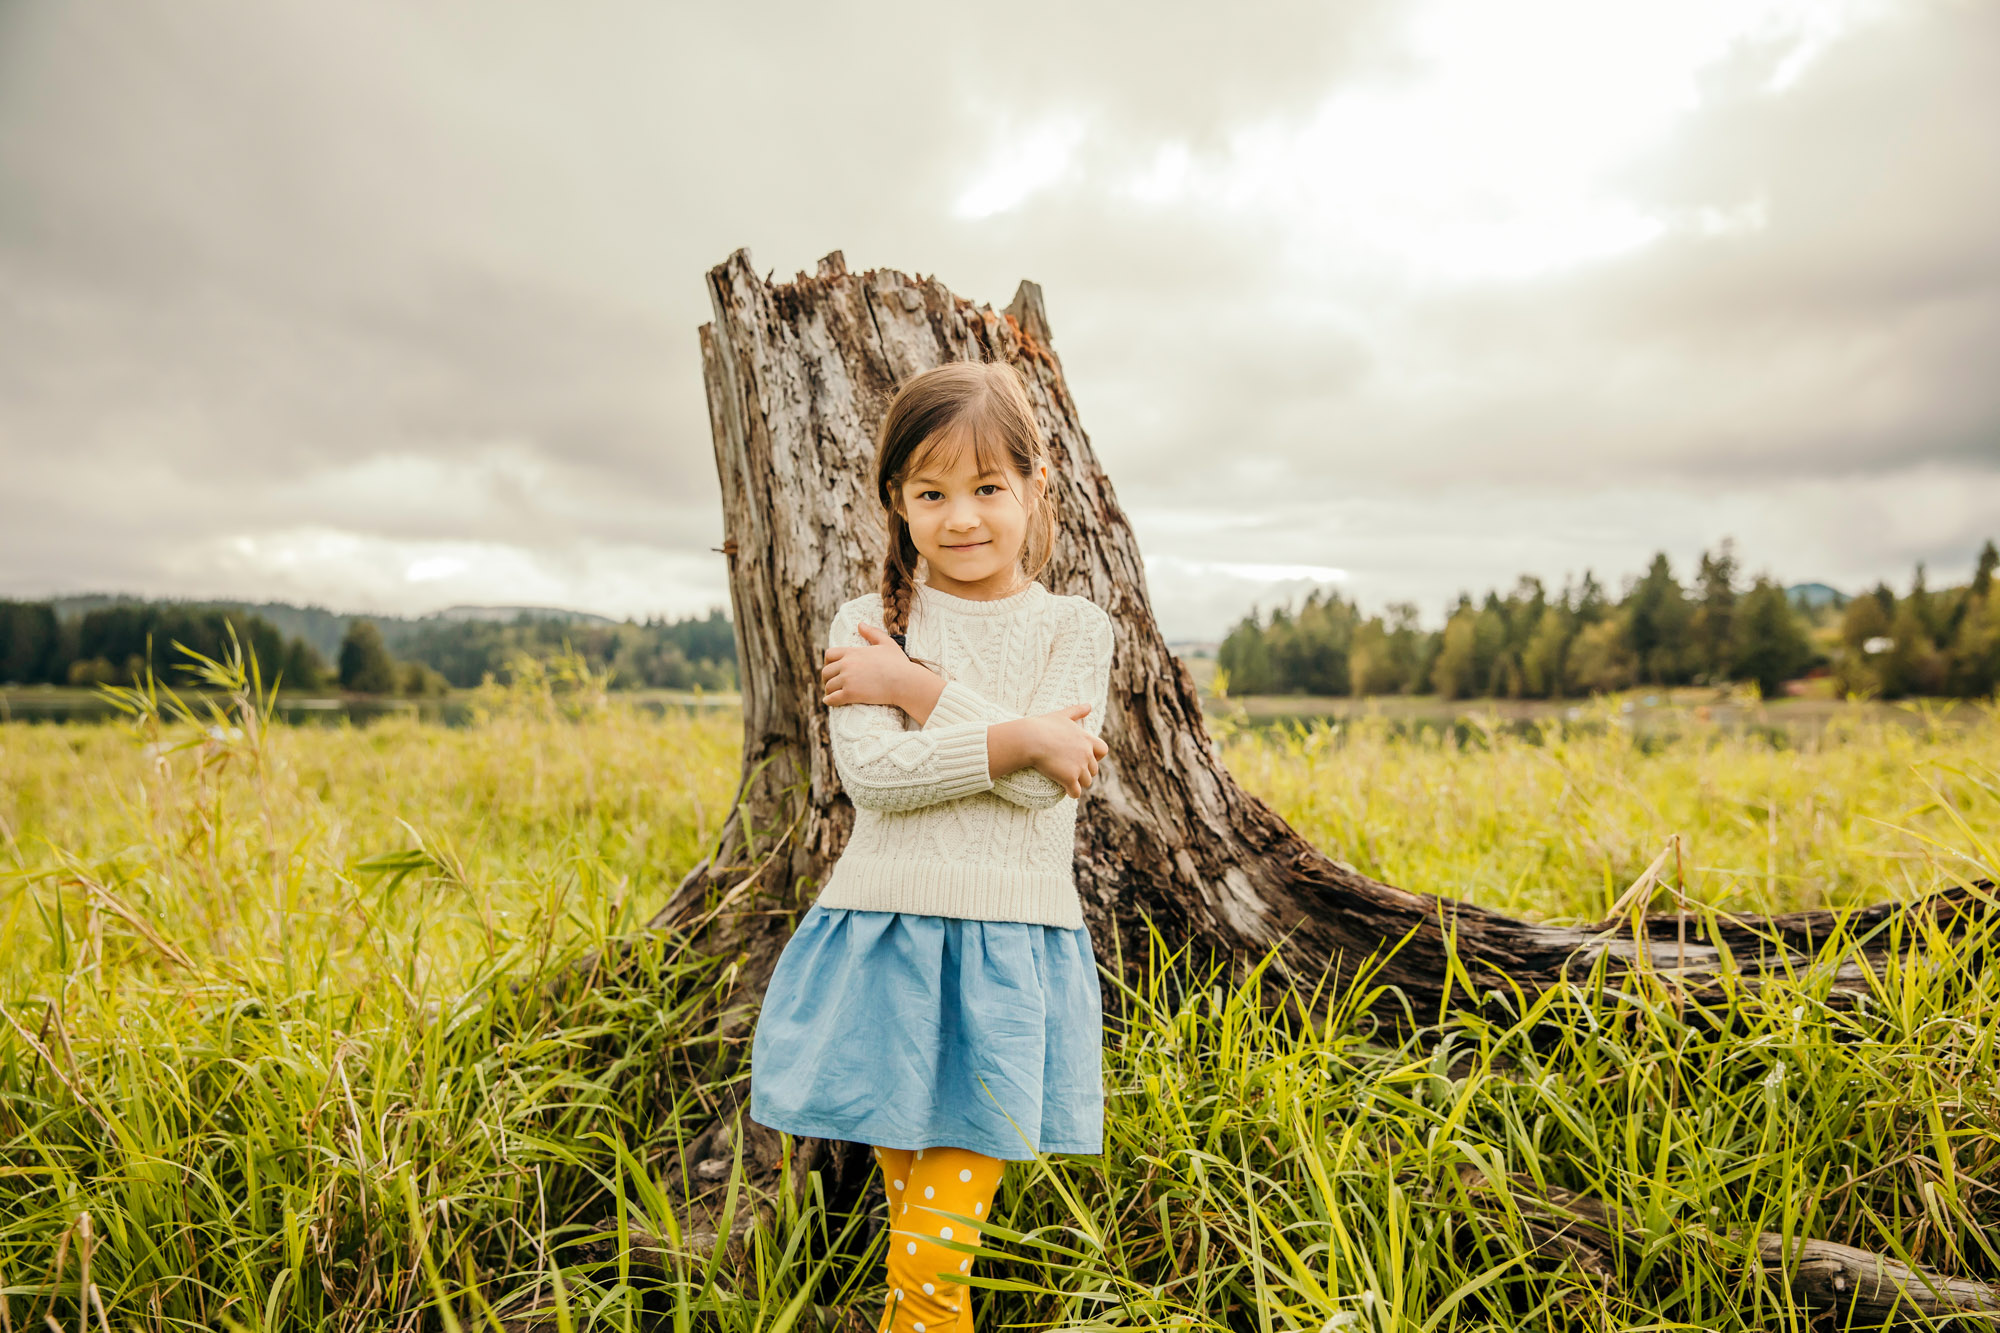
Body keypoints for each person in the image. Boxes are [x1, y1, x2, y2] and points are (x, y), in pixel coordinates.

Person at [748, 357, 1116, 1333]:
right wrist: (1023, 732)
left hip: (1007, 957)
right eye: (932, 492)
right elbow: (880, 780)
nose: (962, 516)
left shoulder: (1074, 629)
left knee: (931, 1253)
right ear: (895, 502)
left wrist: (915, 692)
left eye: (988, 487)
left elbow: (1047, 784)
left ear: (1037, 487)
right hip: (887, 946)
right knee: (918, 1254)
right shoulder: (865, 623)